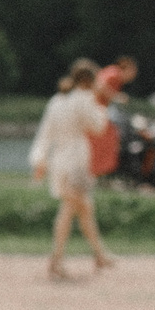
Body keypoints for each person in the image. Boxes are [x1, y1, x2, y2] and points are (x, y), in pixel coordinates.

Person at [30, 59, 116, 279]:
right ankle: (67, 259)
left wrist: (40, 161)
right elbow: (98, 127)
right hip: (76, 161)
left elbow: (44, 134)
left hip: (59, 160)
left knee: (77, 209)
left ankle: (95, 255)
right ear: (90, 81)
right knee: (77, 208)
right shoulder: (84, 100)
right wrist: (101, 104)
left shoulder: (56, 101)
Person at [89, 57, 135, 180]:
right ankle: (102, 170)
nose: (134, 75)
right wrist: (117, 97)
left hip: (97, 111)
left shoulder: (112, 72)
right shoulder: (115, 74)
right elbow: (100, 86)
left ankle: (99, 170)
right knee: (110, 137)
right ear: (127, 68)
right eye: (133, 71)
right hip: (96, 111)